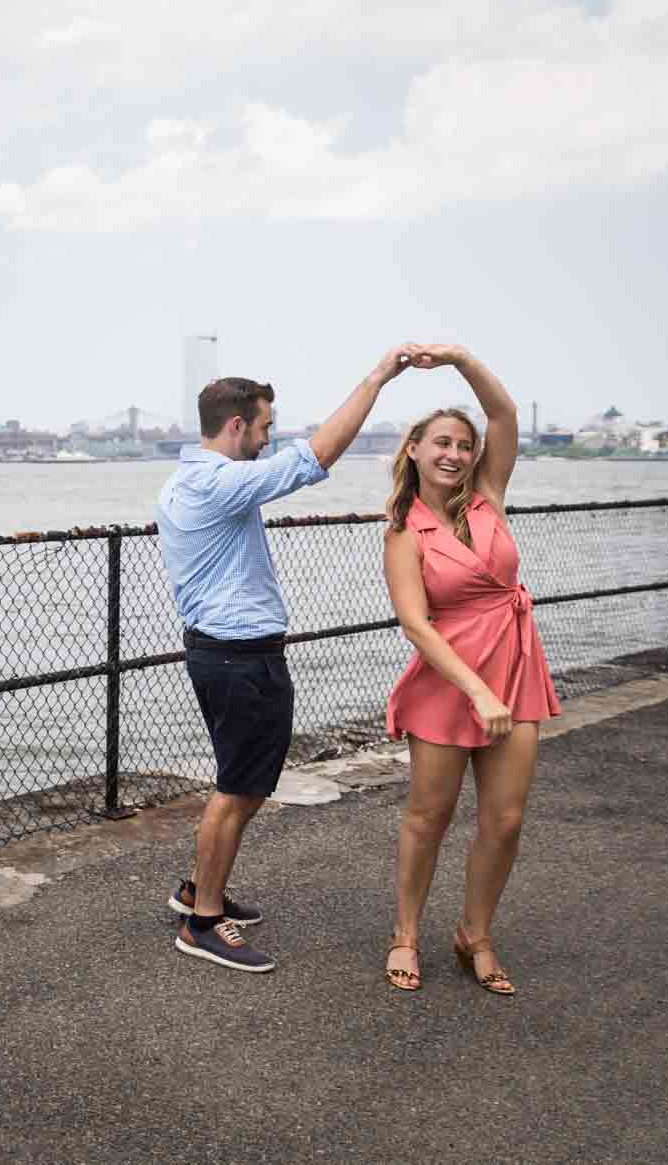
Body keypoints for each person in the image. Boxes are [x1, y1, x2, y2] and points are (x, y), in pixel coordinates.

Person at [159, 348, 419, 972]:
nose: (268, 438)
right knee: (238, 789)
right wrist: (377, 377)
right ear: (236, 426)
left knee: (241, 782)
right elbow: (316, 455)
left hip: (230, 654)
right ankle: (201, 924)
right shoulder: (215, 481)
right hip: (237, 658)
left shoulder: (193, 478)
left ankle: (200, 889)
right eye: (264, 427)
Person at [381, 346, 558, 995]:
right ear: (416, 451)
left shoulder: (488, 496)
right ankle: (405, 932)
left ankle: (474, 933)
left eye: (463, 443)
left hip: (515, 672)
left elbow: (503, 411)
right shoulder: (405, 529)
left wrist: (456, 357)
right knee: (429, 815)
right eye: (441, 443)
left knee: (505, 819)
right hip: (450, 682)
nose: (454, 454)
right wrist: (476, 688)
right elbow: (416, 624)